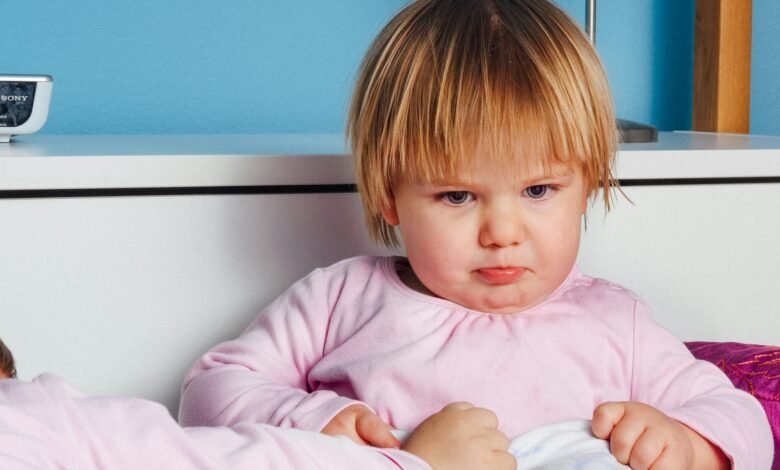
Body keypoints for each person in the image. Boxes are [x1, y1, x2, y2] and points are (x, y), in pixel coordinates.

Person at [179, 0, 773, 468]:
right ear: (389, 194)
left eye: (539, 191)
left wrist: (689, 444)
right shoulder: (340, 299)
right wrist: (313, 420)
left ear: (587, 186)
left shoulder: (619, 322)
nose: (502, 233)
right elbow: (211, 391)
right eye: (458, 196)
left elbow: (741, 417)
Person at [0, 341, 513, 469]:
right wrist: (410, 463)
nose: (501, 233)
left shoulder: (596, 311)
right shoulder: (340, 290)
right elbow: (216, 430)